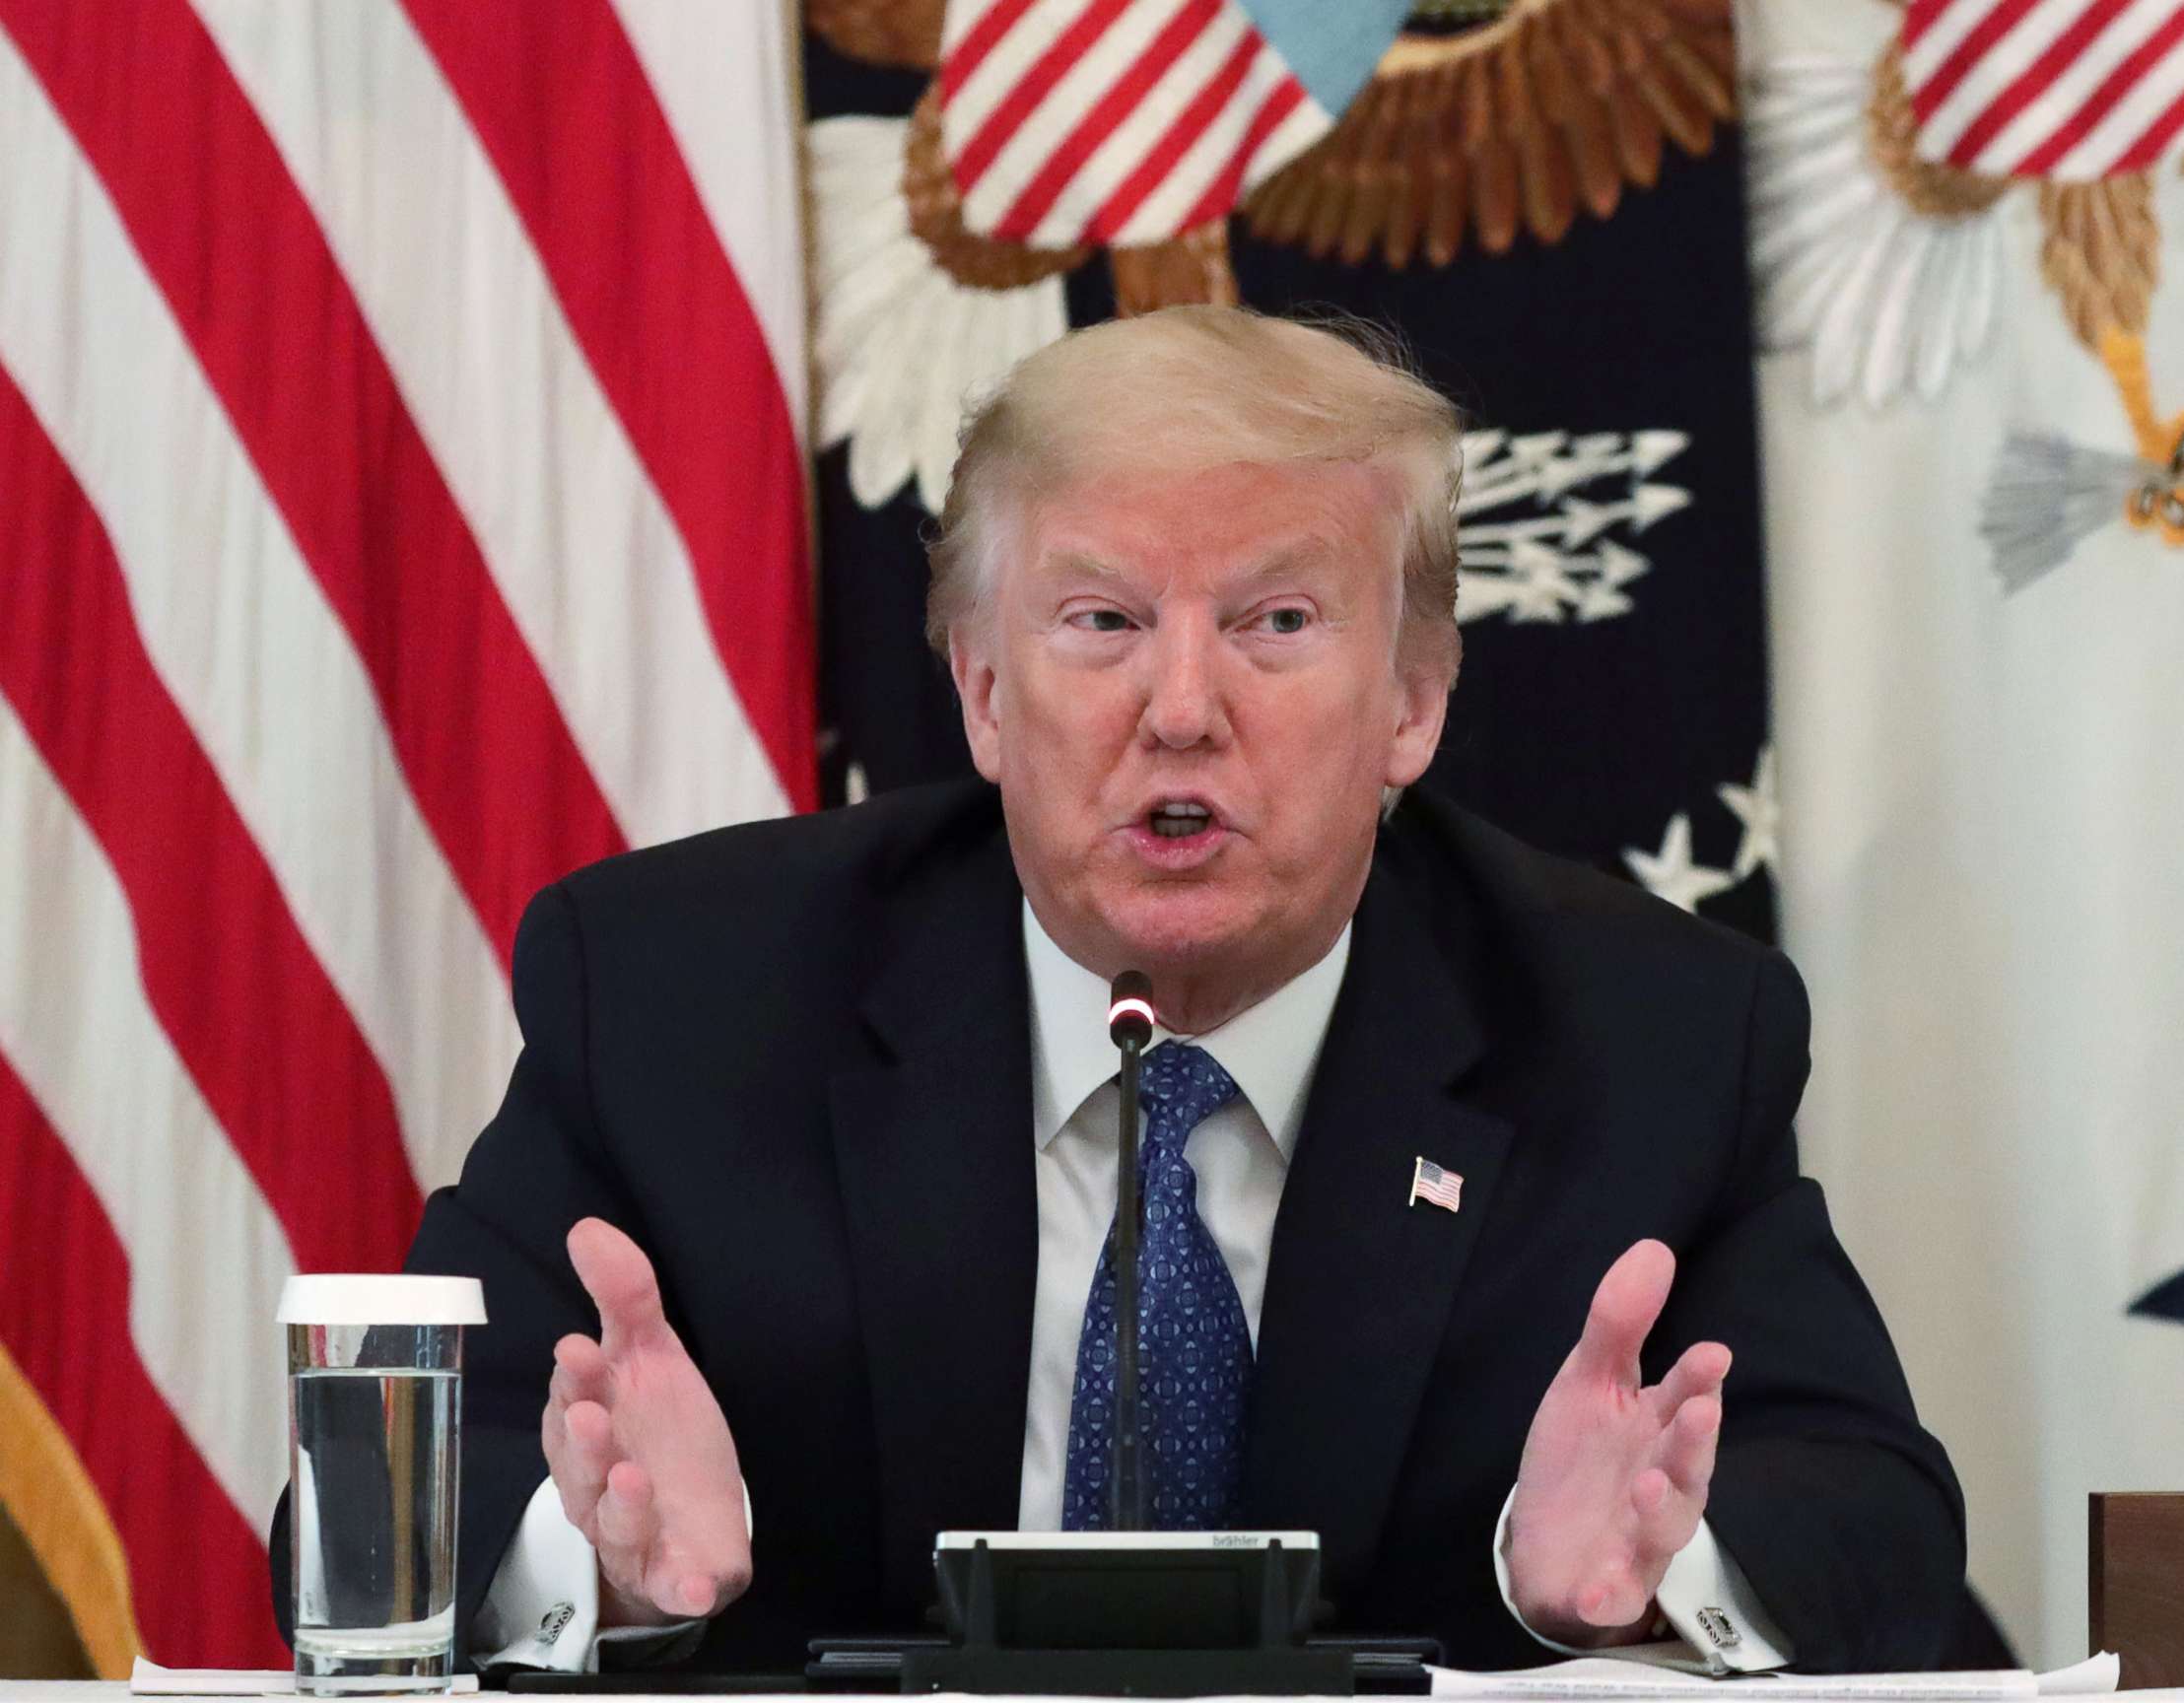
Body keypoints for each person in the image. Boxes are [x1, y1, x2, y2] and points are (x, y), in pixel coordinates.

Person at [269, 307, 1963, 1675]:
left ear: (1416, 704)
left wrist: (1650, 1578)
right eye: (1099, 623)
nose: (1180, 709)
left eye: (1278, 620)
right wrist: (596, 1554)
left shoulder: (1647, 1034)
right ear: (986, 692)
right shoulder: (676, 1000)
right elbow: (366, 1520)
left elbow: (1876, 1510)